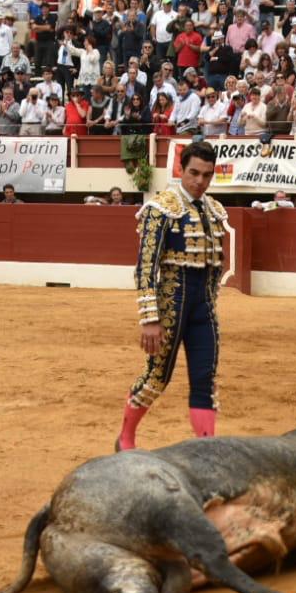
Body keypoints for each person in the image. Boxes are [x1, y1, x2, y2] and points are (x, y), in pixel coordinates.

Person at [117, 140, 227, 450]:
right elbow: (146, 267)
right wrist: (150, 318)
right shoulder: (161, 208)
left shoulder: (215, 210)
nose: (200, 181)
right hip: (171, 305)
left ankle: (205, 451)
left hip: (204, 308)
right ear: (181, 169)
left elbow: (215, 267)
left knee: (204, 380)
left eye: (207, 175)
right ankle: (125, 439)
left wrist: (211, 304)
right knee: (157, 377)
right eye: (194, 173)